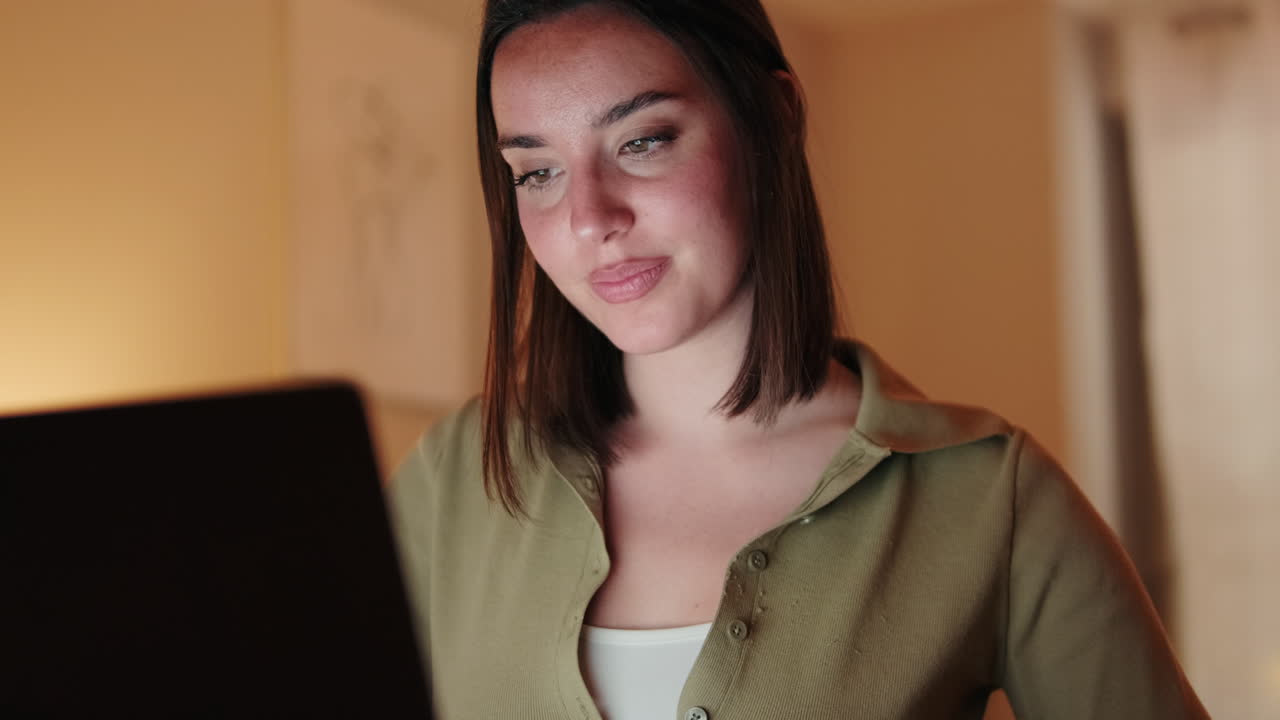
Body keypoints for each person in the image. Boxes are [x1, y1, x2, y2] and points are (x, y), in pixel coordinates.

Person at [387, 1, 1211, 718]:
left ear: (772, 117)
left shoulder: (990, 496)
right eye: (537, 172)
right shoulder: (453, 479)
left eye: (641, 141)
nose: (588, 218)